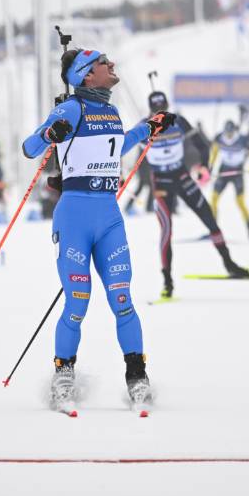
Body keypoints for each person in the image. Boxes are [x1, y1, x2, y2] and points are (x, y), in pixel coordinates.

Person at [21, 47, 165, 414]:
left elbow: (119, 147)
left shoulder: (111, 111)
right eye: (104, 63)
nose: (112, 64)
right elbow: (30, 146)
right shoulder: (71, 108)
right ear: (87, 74)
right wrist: (53, 131)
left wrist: (147, 128)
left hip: (109, 217)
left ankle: (137, 378)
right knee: (77, 301)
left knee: (122, 299)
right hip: (74, 217)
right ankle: (63, 375)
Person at [143, 90, 249, 300]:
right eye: (156, 111)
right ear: (150, 110)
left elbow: (204, 146)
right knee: (166, 230)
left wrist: (204, 166)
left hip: (181, 176)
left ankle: (230, 265)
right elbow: (121, 148)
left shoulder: (178, 121)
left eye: (163, 110)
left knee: (209, 218)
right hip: (161, 182)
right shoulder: (144, 126)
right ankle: (167, 281)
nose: (161, 115)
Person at [209, 119, 249, 243]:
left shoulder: (243, 140)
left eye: (231, 133)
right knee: (214, 198)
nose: (229, 136)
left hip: (237, 172)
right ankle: (213, 230)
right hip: (224, 171)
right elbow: (214, 153)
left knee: (240, 202)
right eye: (227, 133)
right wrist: (210, 167)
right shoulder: (220, 138)